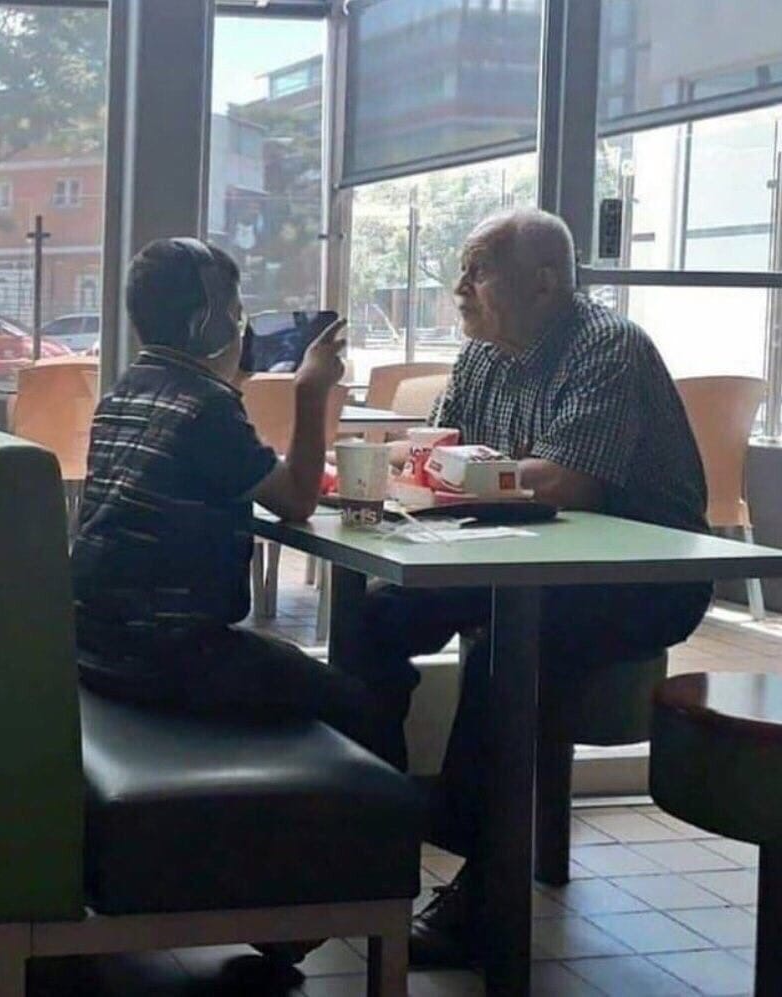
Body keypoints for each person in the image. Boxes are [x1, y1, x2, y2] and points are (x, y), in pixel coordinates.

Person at [346, 209, 712, 968]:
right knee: (378, 620)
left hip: (641, 579)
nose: (458, 287)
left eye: (477, 270)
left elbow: (568, 482)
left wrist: (452, 474)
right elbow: (437, 457)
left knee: (509, 650)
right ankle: (367, 824)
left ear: (544, 282)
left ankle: (482, 886)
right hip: (514, 558)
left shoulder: (608, 345)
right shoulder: (480, 356)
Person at [72, 236, 398, 764]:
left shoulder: (124, 392)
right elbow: (297, 499)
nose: (240, 324)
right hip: (174, 656)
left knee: (289, 667)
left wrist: (236, 369)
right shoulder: (207, 409)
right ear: (209, 322)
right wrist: (310, 391)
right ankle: (381, 812)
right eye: (234, 311)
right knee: (360, 707)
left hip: (97, 647)